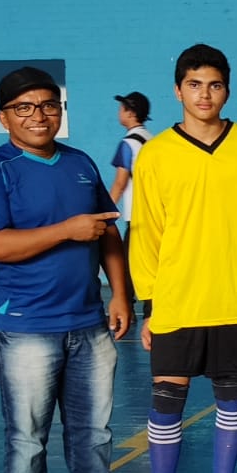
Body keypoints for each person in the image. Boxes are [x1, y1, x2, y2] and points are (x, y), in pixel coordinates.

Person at [0, 66, 141, 473]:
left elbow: (107, 231)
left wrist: (120, 294)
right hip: (25, 327)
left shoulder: (81, 163)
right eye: (24, 108)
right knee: (27, 430)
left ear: (59, 112)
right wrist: (67, 229)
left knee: (94, 426)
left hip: (88, 321)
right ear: (5, 117)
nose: (38, 116)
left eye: (48, 105)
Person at [123, 44, 237, 473]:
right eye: (195, 84)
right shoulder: (157, 153)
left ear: (227, 89)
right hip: (178, 299)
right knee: (166, 405)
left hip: (234, 296)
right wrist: (150, 305)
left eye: (216, 84)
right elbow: (146, 233)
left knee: (231, 401)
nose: (205, 94)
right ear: (178, 90)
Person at [109, 92, 153, 311]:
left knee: (126, 264)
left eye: (121, 108)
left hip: (136, 217)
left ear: (129, 112)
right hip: (154, 216)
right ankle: (152, 308)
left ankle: (125, 305)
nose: (119, 113)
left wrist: (105, 211)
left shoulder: (128, 144)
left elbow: (120, 182)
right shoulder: (152, 139)